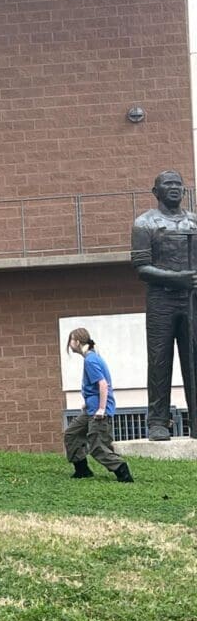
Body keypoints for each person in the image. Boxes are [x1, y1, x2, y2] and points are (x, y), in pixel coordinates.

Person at [131, 170, 197, 441]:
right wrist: (177, 278)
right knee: (159, 360)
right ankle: (158, 422)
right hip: (161, 299)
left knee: (193, 358)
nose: (174, 188)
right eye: (167, 184)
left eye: (178, 184)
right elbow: (141, 267)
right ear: (155, 191)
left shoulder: (194, 222)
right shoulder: (145, 223)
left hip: (192, 299)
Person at [63, 328, 133, 482]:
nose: (69, 344)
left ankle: (122, 470)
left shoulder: (90, 360)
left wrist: (101, 409)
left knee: (97, 446)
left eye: (70, 341)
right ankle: (82, 470)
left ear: (77, 341)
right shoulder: (91, 358)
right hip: (91, 409)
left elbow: (103, 384)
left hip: (98, 412)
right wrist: (88, 403)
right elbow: (95, 387)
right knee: (71, 434)